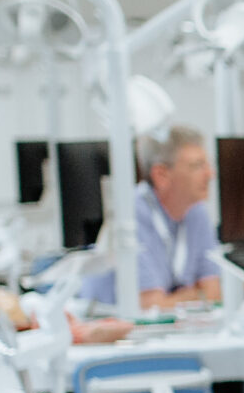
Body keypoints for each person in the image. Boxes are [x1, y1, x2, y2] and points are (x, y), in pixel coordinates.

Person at [84, 123, 219, 309]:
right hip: (108, 322)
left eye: (207, 164)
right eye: (197, 166)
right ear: (161, 175)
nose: (210, 174)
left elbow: (214, 293)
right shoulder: (131, 215)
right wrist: (196, 293)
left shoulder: (196, 211)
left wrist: (174, 299)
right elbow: (150, 306)